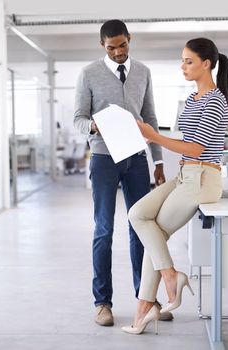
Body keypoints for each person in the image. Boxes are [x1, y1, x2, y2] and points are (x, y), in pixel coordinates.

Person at [122, 37, 228, 334]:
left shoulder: (216, 100)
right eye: (182, 60)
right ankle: (170, 277)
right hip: (185, 175)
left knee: (153, 231)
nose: (182, 66)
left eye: (188, 61)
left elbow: (196, 148)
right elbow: (186, 146)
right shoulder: (194, 99)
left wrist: (153, 136)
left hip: (202, 179)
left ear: (206, 63)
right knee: (139, 216)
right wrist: (150, 135)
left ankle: (146, 307)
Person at [73, 19, 169, 327]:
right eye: (111, 47)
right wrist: (92, 126)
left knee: (141, 227)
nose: (118, 52)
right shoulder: (88, 73)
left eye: (123, 45)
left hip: (137, 158)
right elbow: (78, 117)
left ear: (130, 39)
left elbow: (150, 116)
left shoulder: (143, 72)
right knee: (104, 229)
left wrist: (158, 161)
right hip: (103, 158)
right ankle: (103, 303)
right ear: (102, 45)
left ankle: (147, 299)